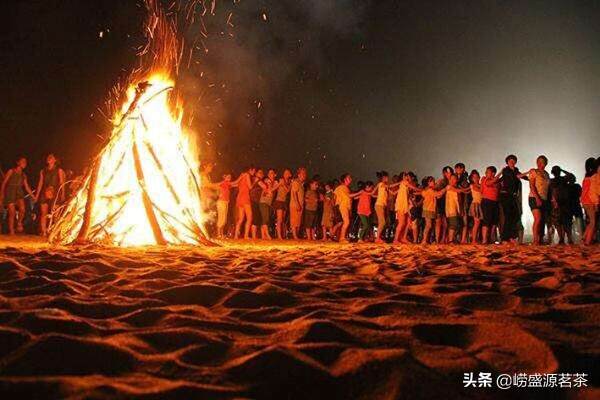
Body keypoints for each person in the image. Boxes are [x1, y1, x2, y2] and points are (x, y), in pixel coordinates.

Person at [0, 157, 35, 235]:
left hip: (19, 191)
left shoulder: (23, 175)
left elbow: (27, 186)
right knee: (12, 213)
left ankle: (19, 223)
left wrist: (33, 196)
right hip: (10, 191)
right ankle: (11, 230)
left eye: (25, 162)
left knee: (22, 209)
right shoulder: (11, 171)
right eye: (22, 161)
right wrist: (2, 194)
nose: (24, 163)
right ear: (18, 162)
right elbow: (4, 183)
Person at [521, 155, 551, 245]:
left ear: (545, 163)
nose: (539, 163)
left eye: (541, 161)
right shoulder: (534, 171)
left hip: (544, 198)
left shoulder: (546, 174)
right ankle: (535, 240)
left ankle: (540, 239)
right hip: (534, 197)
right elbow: (532, 185)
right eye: (538, 161)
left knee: (542, 220)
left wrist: (552, 199)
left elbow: (549, 188)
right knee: (538, 218)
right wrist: (537, 198)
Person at [35, 154, 66, 236]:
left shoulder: (59, 170)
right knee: (43, 213)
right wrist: (37, 195)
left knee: (55, 214)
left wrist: (62, 193)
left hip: (55, 192)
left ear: (55, 160)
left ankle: (54, 232)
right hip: (44, 192)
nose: (49, 158)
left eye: (51, 157)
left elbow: (62, 183)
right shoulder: (43, 171)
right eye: (48, 157)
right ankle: (44, 231)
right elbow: (40, 183)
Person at [549, 166, 575, 244]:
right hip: (563, 203)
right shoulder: (563, 179)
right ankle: (568, 239)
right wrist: (563, 170)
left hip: (559, 203)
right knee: (565, 222)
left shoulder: (552, 181)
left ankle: (563, 239)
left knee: (559, 223)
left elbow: (551, 193)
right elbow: (572, 176)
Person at [499, 155, 521, 243]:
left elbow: (520, 176)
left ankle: (510, 236)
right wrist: (528, 172)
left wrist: (530, 177)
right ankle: (505, 238)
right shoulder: (506, 170)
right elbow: (517, 176)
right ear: (507, 162)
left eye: (513, 161)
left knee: (516, 215)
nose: (512, 162)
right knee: (508, 216)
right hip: (505, 195)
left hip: (513, 196)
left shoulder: (516, 170)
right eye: (510, 161)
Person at [392, 172, 420, 243]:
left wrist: (388, 188)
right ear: (403, 177)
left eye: (407, 176)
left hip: (404, 205)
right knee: (401, 223)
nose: (407, 177)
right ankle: (396, 239)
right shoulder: (404, 182)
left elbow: (394, 193)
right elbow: (413, 188)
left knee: (406, 222)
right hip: (401, 205)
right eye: (405, 176)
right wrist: (423, 190)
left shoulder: (403, 185)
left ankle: (402, 238)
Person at [234, 166, 256, 239]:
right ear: (250, 170)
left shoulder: (241, 175)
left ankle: (236, 235)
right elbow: (250, 187)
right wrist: (254, 182)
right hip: (245, 198)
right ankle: (246, 235)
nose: (254, 173)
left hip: (239, 198)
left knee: (241, 218)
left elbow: (236, 183)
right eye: (253, 171)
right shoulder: (247, 175)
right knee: (250, 217)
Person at [480, 166, 500, 244]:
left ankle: (491, 238)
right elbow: (489, 183)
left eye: (487, 171)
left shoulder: (498, 181)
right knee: (486, 220)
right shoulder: (484, 178)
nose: (486, 173)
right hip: (487, 201)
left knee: (494, 221)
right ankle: (484, 240)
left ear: (493, 173)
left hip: (495, 202)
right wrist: (501, 172)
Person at [582, 158, 599, 245]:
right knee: (593, 222)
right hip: (590, 201)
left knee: (591, 221)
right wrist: (596, 203)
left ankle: (584, 238)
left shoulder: (586, 177)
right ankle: (587, 242)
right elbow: (593, 191)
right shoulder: (594, 177)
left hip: (584, 201)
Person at [435, 166, 453, 243]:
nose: (448, 174)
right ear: (444, 173)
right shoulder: (441, 182)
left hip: (448, 203)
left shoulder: (452, 181)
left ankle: (443, 239)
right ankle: (437, 239)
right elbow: (437, 194)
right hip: (440, 203)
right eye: (447, 172)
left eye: (449, 172)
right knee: (438, 222)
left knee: (446, 223)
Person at [258, 169, 278, 240]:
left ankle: (263, 236)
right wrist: (272, 185)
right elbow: (270, 190)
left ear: (275, 175)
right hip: (263, 201)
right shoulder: (267, 180)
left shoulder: (275, 182)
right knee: (265, 218)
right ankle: (267, 235)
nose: (270, 174)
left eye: (272, 173)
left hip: (269, 203)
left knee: (266, 219)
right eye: (269, 173)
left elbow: (272, 190)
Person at [216, 173, 237, 239]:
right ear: (224, 177)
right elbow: (235, 183)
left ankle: (221, 234)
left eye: (230, 177)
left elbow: (235, 184)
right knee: (221, 218)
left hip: (225, 202)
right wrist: (242, 177)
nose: (229, 178)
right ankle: (218, 234)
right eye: (228, 176)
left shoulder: (227, 185)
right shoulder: (224, 183)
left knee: (224, 219)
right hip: (221, 202)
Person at [333, 173, 353, 243]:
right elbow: (349, 196)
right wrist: (360, 192)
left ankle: (336, 234)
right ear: (345, 179)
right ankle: (342, 238)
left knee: (343, 222)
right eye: (349, 178)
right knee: (346, 222)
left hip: (345, 207)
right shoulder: (342, 187)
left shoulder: (345, 188)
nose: (351, 179)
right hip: (342, 206)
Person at [454, 163, 471, 243]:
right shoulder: (453, 178)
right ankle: (457, 238)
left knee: (464, 221)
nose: (459, 170)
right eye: (457, 168)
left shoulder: (465, 179)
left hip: (463, 202)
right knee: (456, 221)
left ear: (463, 169)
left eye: (460, 168)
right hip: (455, 202)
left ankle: (463, 239)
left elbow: (465, 190)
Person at [289, 168, 307, 240]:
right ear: (299, 175)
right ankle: (294, 236)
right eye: (303, 174)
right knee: (294, 220)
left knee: (298, 221)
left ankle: (296, 235)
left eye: (305, 173)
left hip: (300, 205)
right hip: (295, 205)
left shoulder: (301, 184)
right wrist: (297, 204)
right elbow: (294, 193)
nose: (305, 175)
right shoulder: (296, 182)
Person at [373, 171, 390, 243]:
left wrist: (378, 196)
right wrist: (400, 183)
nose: (388, 178)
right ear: (383, 178)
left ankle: (378, 238)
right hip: (379, 205)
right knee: (382, 222)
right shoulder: (381, 184)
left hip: (381, 205)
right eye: (387, 177)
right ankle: (377, 238)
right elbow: (390, 186)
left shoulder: (383, 186)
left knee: (382, 222)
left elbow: (372, 193)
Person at [468, 170, 484, 244]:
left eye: (477, 176)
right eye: (474, 177)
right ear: (471, 178)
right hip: (475, 204)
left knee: (478, 223)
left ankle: (475, 239)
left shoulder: (480, 184)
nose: (476, 178)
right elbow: (481, 190)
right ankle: (473, 240)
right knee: (476, 223)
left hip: (480, 204)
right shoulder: (472, 185)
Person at [250, 169, 265, 239]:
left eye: (262, 173)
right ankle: (253, 236)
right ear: (256, 173)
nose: (261, 174)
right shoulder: (256, 179)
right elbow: (264, 187)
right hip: (254, 200)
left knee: (258, 218)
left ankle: (258, 236)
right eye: (260, 173)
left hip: (257, 201)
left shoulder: (257, 180)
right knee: (255, 218)